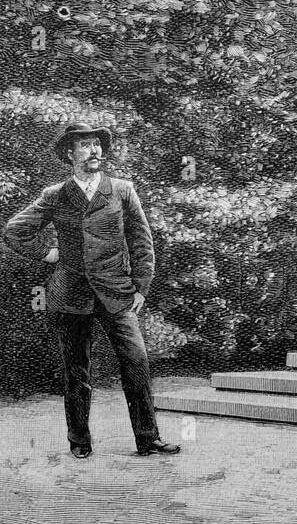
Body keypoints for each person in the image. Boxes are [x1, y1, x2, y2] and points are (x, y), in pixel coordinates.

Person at [3, 123, 180, 458]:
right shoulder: (56, 194)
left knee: (137, 363)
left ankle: (148, 438)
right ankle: (79, 442)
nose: (95, 150)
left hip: (117, 291)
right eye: (85, 145)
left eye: (97, 144)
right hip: (70, 294)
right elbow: (15, 230)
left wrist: (141, 286)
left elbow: (142, 242)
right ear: (70, 153)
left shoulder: (122, 190)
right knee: (76, 371)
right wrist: (47, 253)